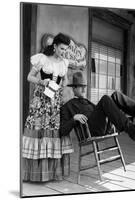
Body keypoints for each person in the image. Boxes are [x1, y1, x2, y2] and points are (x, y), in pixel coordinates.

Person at [22, 33, 74, 182]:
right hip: (41, 101)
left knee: (54, 132)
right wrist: (42, 82)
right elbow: (29, 77)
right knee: (40, 131)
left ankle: (52, 173)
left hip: (55, 101)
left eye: (66, 49)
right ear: (55, 46)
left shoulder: (64, 62)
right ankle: (37, 173)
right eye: (62, 48)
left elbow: (65, 80)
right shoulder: (43, 59)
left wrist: (63, 84)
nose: (64, 52)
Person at [60, 72, 135, 141]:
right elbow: (62, 131)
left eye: (85, 86)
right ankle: (132, 130)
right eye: (80, 87)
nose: (84, 89)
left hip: (102, 125)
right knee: (105, 99)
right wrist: (74, 118)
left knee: (116, 95)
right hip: (90, 131)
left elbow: (99, 112)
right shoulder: (68, 106)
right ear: (74, 88)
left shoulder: (87, 101)